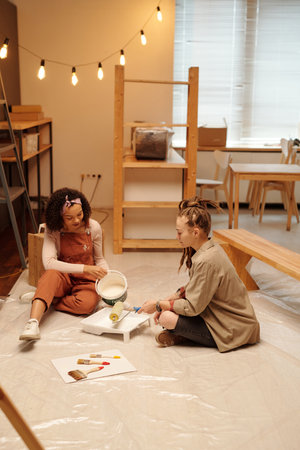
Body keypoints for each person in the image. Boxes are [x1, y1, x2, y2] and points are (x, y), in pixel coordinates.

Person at [138, 197, 260, 352]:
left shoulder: (206, 260)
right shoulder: (209, 249)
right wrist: (167, 300)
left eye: (179, 233)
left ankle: (183, 336)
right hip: (220, 316)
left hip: (233, 328)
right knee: (169, 311)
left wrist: (159, 304)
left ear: (195, 232)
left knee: (166, 318)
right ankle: (182, 335)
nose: (177, 237)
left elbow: (192, 307)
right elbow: (194, 287)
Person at [19, 187, 109, 341]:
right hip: (63, 277)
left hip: (86, 280)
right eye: (69, 217)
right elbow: (49, 264)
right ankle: (33, 323)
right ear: (59, 217)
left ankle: (44, 298)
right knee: (50, 276)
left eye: (79, 215)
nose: (76, 220)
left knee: (87, 306)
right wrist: (85, 268)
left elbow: (99, 259)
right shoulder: (52, 230)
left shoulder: (93, 227)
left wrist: (109, 276)